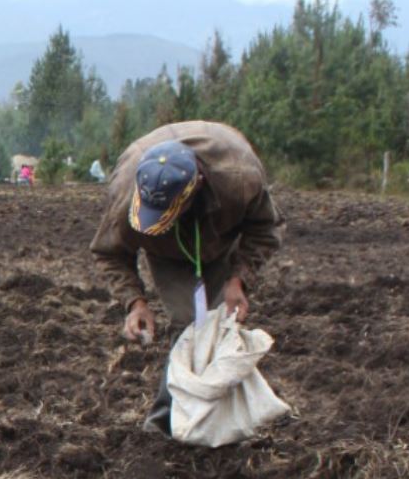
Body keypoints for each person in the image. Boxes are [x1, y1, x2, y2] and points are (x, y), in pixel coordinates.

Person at [90, 121, 283, 433]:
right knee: (188, 326)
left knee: (219, 325)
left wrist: (238, 279)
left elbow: (265, 229)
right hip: (167, 253)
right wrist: (135, 303)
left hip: (221, 237)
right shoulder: (127, 195)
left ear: (196, 188)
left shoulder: (240, 180)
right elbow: (110, 252)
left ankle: (226, 420)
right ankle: (167, 423)